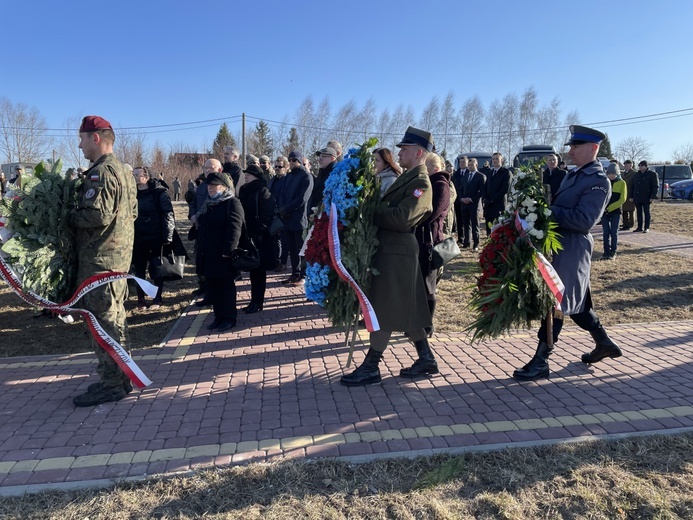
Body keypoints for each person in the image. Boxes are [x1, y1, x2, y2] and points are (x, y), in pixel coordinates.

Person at [513, 125, 622, 381]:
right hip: (558, 246)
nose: (570, 151)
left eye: (575, 147)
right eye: (570, 147)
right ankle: (604, 344)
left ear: (593, 149)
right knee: (579, 304)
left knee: (556, 302)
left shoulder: (598, 181)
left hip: (572, 248)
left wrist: (547, 212)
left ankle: (541, 360)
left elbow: (584, 220)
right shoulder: (572, 175)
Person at [340, 126, 435, 387]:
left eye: (404, 149)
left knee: (383, 308)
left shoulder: (421, 183)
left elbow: (402, 218)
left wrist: (370, 210)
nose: (399, 153)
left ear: (418, 153)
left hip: (398, 252)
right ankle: (426, 358)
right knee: (405, 307)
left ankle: (371, 366)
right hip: (392, 251)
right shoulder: (408, 178)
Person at [69, 115, 138, 407]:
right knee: (114, 320)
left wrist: (67, 216)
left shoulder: (102, 173)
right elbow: (131, 212)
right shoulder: (123, 171)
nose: (80, 144)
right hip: (115, 260)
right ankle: (121, 378)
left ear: (95, 137)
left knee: (103, 324)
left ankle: (112, 384)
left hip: (100, 263)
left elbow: (98, 215)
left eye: (82, 138)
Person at [195, 172, 244, 333]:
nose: (210, 188)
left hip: (223, 253)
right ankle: (218, 316)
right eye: (208, 185)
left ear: (223, 187)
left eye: (213, 185)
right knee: (213, 285)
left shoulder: (232, 203)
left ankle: (229, 318)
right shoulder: (209, 203)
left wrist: (228, 250)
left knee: (226, 286)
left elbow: (235, 228)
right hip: (208, 252)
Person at [416, 153, 450, 337]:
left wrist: (415, 217)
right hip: (420, 240)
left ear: (435, 169)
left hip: (431, 242)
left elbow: (435, 212)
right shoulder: (427, 184)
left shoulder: (441, 186)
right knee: (420, 284)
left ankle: (428, 325)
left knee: (428, 286)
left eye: (426, 167)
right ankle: (419, 323)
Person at [132, 166, 174, 309]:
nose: (135, 177)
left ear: (146, 176)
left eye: (137, 174)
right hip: (137, 237)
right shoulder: (131, 193)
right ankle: (141, 299)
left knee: (157, 268)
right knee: (139, 269)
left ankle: (157, 298)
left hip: (156, 236)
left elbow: (168, 214)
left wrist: (167, 236)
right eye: (133, 174)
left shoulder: (159, 193)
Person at [238, 164, 279, 313]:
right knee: (251, 270)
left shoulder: (262, 190)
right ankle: (253, 301)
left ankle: (257, 302)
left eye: (249, 173)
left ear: (257, 176)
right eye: (246, 173)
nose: (246, 175)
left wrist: (258, 232)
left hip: (260, 238)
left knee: (258, 271)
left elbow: (267, 215)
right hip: (247, 235)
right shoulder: (243, 190)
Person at [276, 150, 312, 285]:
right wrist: (282, 209)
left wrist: (287, 208)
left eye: (294, 160)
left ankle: (303, 275)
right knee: (291, 248)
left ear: (299, 160)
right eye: (290, 160)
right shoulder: (288, 177)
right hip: (287, 217)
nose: (291, 162)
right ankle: (294, 274)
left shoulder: (306, 176)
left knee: (301, 249)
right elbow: (282, 194)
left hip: (299, 218)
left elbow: (303, 198)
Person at [456, 157, 485, 251]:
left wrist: (471, 199)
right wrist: (461, 199)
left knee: (475, 224)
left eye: (472, 164)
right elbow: (460, 189)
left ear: (476, 165)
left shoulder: (480, 176)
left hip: (474, 204)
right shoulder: (465, 176)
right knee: (466, 224)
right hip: (464, 204)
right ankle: (466, 242)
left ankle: (476, 243)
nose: (470, 166)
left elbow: (482, 191)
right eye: (469, 165)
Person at [601, 163, 627, 260]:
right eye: (609, 173)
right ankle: (606, 251)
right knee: (606, 232)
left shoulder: (622, 183)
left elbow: (622, 199)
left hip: (615, 211)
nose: (611, 175)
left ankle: (613, 251)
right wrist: (603, 209)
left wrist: (610, 208)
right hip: (604, 212)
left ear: (617, 174)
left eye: (613, 173)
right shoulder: (604, 182)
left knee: (614, 232)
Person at [482, 152, 512, 235]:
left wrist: (492, 200)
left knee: (499, 229)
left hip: (499, 205)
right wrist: (485, 198)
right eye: (493, 159)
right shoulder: (490, 173)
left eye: (497, 159)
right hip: (488, 206)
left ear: (501, 160)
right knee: (489, 230)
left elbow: (504, 189)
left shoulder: (506, 173)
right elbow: (485, 187)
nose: (495, 161)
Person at [308, 146, 339, 219]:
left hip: (330, 215)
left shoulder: (335, 173)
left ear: (332, 158)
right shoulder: (322, 172)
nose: (319, 159)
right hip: (318, 213)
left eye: (323, 156)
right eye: (319, 157)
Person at [271, 156, 290, 272]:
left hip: (282, 213)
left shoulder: (286, 180)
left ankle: (283, 262)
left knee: (284, 239)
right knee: (275, 239)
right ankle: (275, 260)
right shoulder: (274, 179)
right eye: (276, 166)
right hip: (273, 212)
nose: (277, 169)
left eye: (280, 167)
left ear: (287, 167)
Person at [630, 160, 659, 233]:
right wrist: (631, 196)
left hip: (647, 197)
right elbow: (632, 186)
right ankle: (639, 227)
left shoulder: (652, 174)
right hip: (637, 196)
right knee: (639, 212)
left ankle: (647, 227)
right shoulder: (636, 175)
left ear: (646, 166)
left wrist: (653, 196)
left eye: (642, 165)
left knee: (646, 212)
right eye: (639, 165)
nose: (640, 167)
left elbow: (655, 186)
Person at [451, 155, 469, 244]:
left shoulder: (469, 173)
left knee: (466, 221)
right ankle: (460, 238)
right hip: (457, 200)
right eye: (460, 162)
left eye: (463, 162)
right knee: (459, 220)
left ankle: (467, 238)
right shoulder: (456, 174)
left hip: (467, 200)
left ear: (467, 163)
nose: (462, 164)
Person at [620, 160, 636, 230]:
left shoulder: (634, 174)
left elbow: (635, 185)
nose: (625, 165)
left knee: (631, 210)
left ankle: (631, 223)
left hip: (630, 193)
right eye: (625, 164)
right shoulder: (622, 174)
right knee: (624, 210)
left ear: (631, 165)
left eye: (627, 164)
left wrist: (633, 196)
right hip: (623, 193)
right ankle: (625, 223)